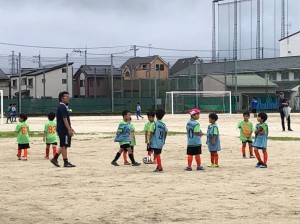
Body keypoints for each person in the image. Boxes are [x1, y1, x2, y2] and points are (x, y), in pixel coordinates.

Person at [50, 91, 76, 168]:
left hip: (63, 129)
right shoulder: (62, 107)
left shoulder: (63, 106)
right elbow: (65, 119)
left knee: (63, 145)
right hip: (63, 129)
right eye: (66, 97)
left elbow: (65, 119)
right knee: (64, 145)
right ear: (62, 98)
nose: (68, 98)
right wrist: (69, 129)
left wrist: (70, 128)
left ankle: (55, 158)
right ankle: (65, 162)